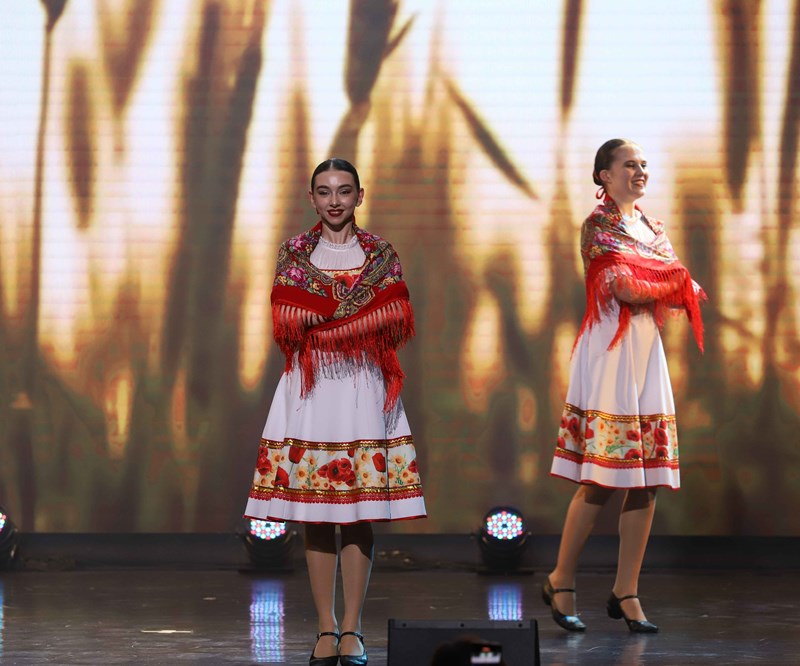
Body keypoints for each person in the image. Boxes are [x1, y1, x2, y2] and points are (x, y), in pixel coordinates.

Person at [244, 158, 426, 665]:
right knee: (317, 514)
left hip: (363, 386)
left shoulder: (380, 254)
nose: (334, 201)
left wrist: (328, 322)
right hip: (312, 388)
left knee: (358, 513)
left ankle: (353, 628)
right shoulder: (295, 254)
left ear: (359, 196)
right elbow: (287, 315)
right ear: (312, 199)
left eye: (344, 191)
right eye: (324, 192)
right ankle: (325, 626)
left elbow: (394, 312)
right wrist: (353, 319)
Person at [544, 139, 705, 633]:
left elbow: (685, 289)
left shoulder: (653, 228)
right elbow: (627, 288)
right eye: (629, 164)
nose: (640, 171)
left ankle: (626, 590)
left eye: (643, 164)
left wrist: (667, 281)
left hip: (645, 351)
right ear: (604, 176)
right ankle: (561, 578)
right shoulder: (598, 226)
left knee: (648, 478)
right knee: (600, 478)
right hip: (610, 354)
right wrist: (669, 279)